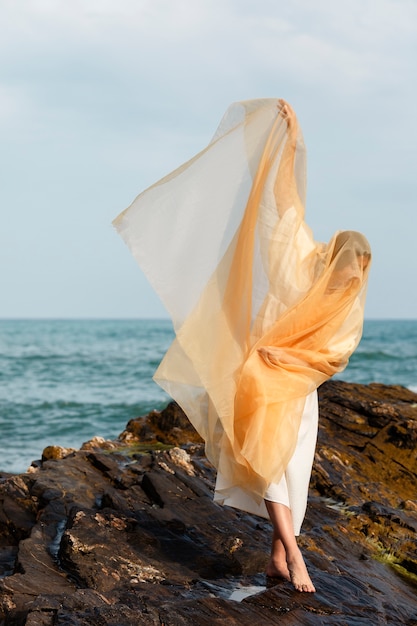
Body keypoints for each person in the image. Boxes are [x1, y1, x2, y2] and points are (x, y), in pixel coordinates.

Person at [113, 98, 371, 594]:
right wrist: (289, 144)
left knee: (295, 470)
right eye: (349, 264)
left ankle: (278, 556)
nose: (352, 275)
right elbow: (281, 202)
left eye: (358, 269)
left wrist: (292, 359)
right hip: (262, 377)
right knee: (271, 465)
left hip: (299, 387)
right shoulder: (295, 259)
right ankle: (295, 555)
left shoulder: (342, 303)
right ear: (334, 254)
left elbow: (334, 357)